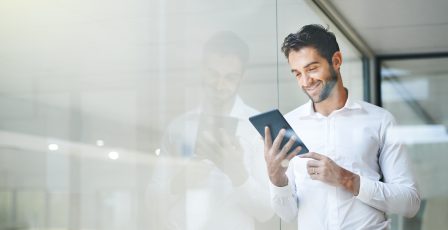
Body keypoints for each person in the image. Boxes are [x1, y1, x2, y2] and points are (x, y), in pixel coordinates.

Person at [263, 24, 421, 229]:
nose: (305, 81)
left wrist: (347, 179)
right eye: (297, 73)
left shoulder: (380, 121)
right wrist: (277, 180)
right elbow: (288, 214)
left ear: (336, 61)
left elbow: (410, 203)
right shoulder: (290, 125)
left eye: (312, 69)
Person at [149, 31, 273, 230]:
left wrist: (238, 174)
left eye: (230, 77)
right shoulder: (179, 127)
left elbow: (267, 212)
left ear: (242, 76)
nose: (220, 85)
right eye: (213, 74)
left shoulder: (259, 129)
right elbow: (152, 198)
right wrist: (178, 183)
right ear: (201, 70)